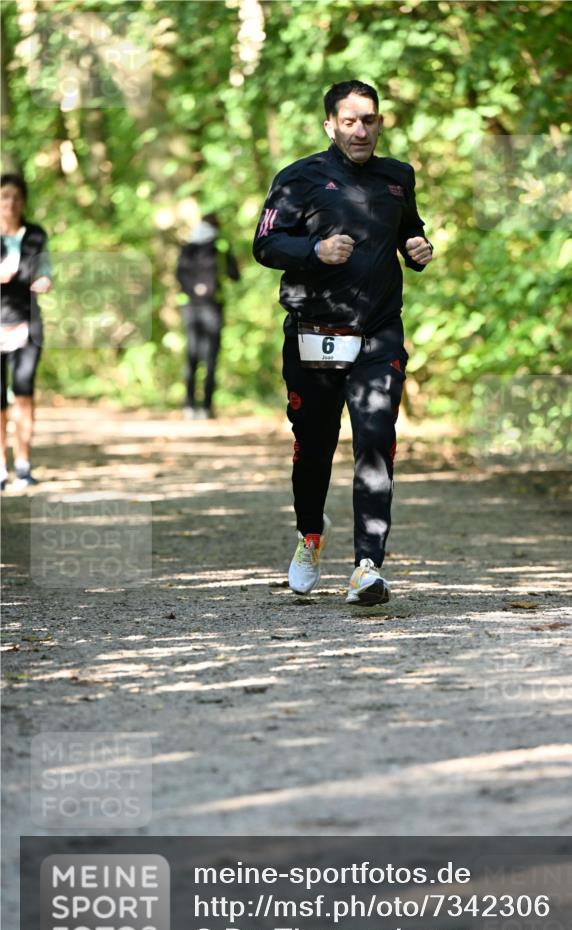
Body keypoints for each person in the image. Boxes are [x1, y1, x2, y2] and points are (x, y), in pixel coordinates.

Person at [253, 79, 432, 606]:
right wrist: (315, 249)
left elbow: (408, 231)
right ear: (330, 124)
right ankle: (310, 533)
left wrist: (416, 247)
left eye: (369, 120)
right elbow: (264, 244)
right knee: (314, 447)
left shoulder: (398, 177)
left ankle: (367, 566)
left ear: (380, 122)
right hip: (314, 331)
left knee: (375, 437)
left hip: (378, 330)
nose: (361, 130)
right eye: (350, 121)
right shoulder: (299, 178)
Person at [0, 174, 52, 490]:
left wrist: (44, 281)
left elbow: (45, 270)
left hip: (27, 323)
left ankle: (24, 463)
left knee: (24, 392)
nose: (11, 203)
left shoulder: (36, 235)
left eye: (17, 197)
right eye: (5, 196)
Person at [176, 212, 240, 419]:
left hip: (189, 307)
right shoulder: (220, 245)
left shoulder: (187, 246)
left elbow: (178, 275)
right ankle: (206, 407)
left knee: (192, 355)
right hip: (213, 306)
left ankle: (188, 405)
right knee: (210, 357)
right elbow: (235, 275)